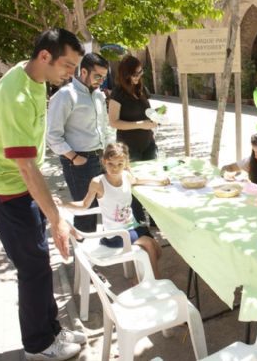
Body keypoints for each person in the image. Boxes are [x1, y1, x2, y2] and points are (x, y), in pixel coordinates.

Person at [0, 28, 87, 360]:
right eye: (67, 65)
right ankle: (38, 346)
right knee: (34, 268)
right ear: (44, 57)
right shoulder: (17, 95)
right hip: (5, 194)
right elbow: (26, 167)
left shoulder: (34, 79)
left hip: (20, 189)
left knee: (40, 263)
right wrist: (57, 219)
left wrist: (51, 214)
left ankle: (52, 330)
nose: (71, 74)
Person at [57, 142, 168, 278]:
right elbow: (84, 205)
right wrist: (64, 204)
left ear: (126, 163)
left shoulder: (126, 176)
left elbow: (137, 180)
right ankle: (155, 279)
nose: (115, 168)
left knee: (157, 250)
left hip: (132, 227)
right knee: (149, 245)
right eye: (111, 164)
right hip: (115, 233)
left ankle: (139, 279)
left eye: (120, 164)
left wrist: (159, 181)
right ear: (104, 162)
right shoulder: (98, 182)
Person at [47, 52, 112, 232]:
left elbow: (104, 127)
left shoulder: (99, 95)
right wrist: (74, 157)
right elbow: (52, 135)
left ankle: (108, 246)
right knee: (86, 212)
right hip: (80, 162)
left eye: (104, 77)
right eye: (97, 76)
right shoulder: (65, 95)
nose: (101, 80)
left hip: (102, 158)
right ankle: (84, 257)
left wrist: (110, 152)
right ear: (83, 71)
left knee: (108, 205)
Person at [108, 55, 159, 226]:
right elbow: (113, 121)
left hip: (148, 144)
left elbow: (148, 112)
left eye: (140, 72)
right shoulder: (118, 93)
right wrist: (140, 125)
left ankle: (155, 219)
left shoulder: (142, 89)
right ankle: (139, 220)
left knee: (152, 182)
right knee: (134, 184)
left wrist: (156, 118)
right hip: (129, 148)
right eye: (134, 73)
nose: (138, 76)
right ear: (125, 74)